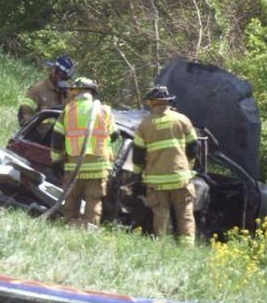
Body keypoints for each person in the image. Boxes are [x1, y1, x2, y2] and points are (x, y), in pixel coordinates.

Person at [131, 84, 201, 243]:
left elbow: (138, 157)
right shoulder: (182, 120)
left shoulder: (144, 125)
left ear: (151, 103)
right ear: (168, 102)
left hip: (156, 181)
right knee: (185, 215)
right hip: (180, 178)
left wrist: (136, 176)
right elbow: (194, 148)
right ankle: (187, 248)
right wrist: (188, 166)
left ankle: (164, 247)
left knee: (161, 216)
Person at [48, 76, 116, 227]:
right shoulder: (104, 111)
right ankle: (89, 232)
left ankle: (69, 228)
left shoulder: (67, 112)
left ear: (76, 91)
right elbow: (115, 135)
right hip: (98, 168)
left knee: (71, 201)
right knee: (93, 201)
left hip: (74, 168)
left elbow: (57, 141)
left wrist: (57, 162)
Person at [19, 55, 74, 126]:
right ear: (54, 72)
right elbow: (24, 117)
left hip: (57, 135)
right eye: (62, 78)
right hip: (37, 135)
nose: (64, 82)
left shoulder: (67, 94)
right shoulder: (37, 90)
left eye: (67, 79)